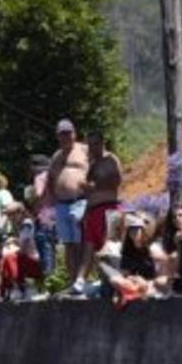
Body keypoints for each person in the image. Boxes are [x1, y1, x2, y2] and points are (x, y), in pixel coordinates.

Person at [46, 119, 90, 290]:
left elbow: (97, 170)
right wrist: (50, 199)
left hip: (80, 201)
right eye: (62, 134)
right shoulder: (56, 156)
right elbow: (50, 179)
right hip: (62, 204)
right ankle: (73, 282)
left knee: (81, 243)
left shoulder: (85, 150)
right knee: (68, 245)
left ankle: (82, 280)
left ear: (74, 133)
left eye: (68, 133)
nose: (66, 137)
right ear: (58, 136)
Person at [81, 130, 123, 284]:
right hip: (93, 210)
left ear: (102, 143)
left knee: (110, 247)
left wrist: (93, 186)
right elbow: (87, 190)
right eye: (90, 145)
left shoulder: (111, 159)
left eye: (96, 144)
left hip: (110, 208)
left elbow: (116, 182)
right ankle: (82, 281)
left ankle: (114, 280)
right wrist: (86, 211)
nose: (93, 148)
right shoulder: (92, 164)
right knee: (90, 248)